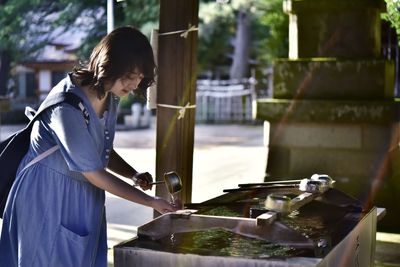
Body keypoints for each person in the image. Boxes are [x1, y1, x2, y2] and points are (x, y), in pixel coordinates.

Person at [0, 26, 178, 266]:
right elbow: (94, 172)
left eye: (140, 78)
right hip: (46, 196)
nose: (135, 85)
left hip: (83, 196)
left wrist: (132, 174)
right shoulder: (66, 107)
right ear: (111, 64)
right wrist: (150, 202)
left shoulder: (110, 96)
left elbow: (99, 150)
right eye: (131, 75)